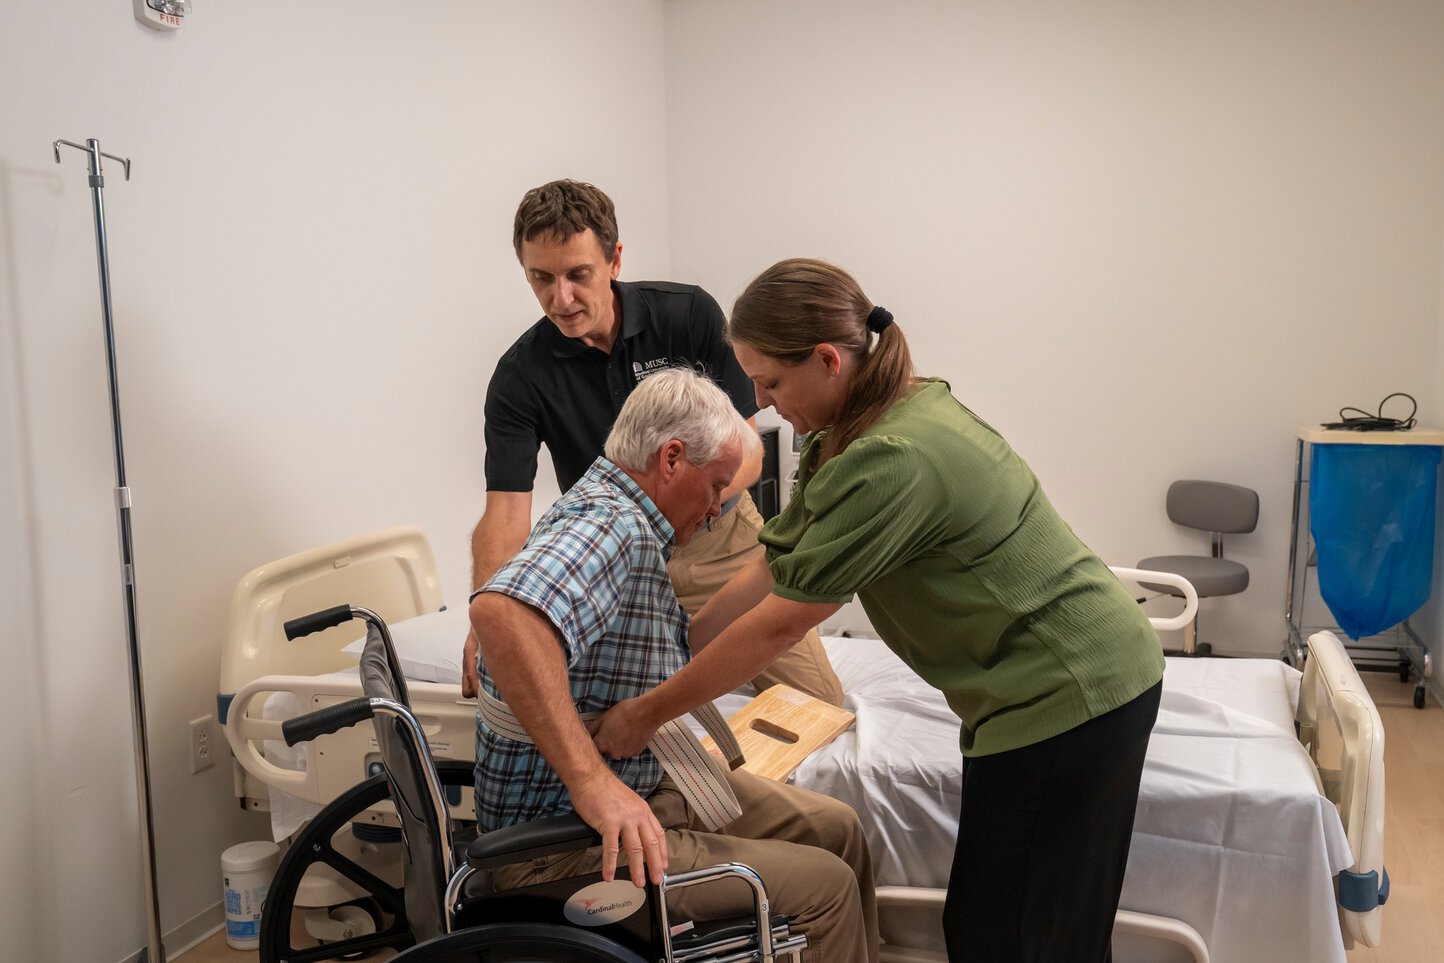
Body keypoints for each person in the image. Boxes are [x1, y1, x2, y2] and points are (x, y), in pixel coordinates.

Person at [592, 259, 1166, 962]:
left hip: (1068, 692)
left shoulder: (893, 455)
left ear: (828, 360)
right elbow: (780, 559)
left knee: (1013, 935)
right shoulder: (855, 426)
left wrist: (645, 711)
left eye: (770, 381)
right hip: (1055, 685)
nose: (764, 403)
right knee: (1034, 922)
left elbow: (784, 619)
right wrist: (680, 642)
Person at [468, 367, 878, 963]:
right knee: (826, 887)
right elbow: (502, 616)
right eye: (715, 487)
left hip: (631, 786)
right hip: (560, 849)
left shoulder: (617, 508)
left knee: (837, 827)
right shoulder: (613, 525)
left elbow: (678, 641)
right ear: (671, 458)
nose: (717, 510)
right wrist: (593, 785)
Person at [462, 179, 841, 706]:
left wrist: (698, 500)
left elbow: (749, 451)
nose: (561, 298)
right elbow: (504, 515)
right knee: (631, 723)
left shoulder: (686, 317)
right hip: (616, 566)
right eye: (541, 278)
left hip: (721, 537)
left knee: (817, 703)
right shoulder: (520, 374)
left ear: (615, 260)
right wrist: (489, 609)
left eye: (578, 275)